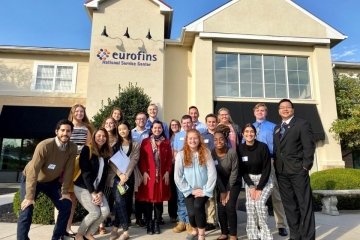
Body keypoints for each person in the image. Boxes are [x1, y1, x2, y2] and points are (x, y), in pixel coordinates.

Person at [17, 119, 77, 240]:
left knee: (66, 205)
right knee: (26, 209)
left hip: (51, 182)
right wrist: (29, 197)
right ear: (56, 131)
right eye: (62, 130)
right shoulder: (45, 145)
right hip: (32, 179)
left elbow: (69, 170)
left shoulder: (72, 147)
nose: (65, 133)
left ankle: (57, 237)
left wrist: (65, 192)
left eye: (68, 131)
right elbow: (33, 170)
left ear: (71, 133)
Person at [273, 99, 316, 240]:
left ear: (293, 109)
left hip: (298, 171)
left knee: (304, 205)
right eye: (282, 107)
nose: (285, 109)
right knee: (289, 206)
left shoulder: (302, 124)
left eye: (288, 107)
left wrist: (305, 166)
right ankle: (295, 235)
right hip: (282, 172)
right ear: (279, 111)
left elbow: (309, 147)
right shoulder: (277, 127)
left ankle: (308, 237)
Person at [252, 103, 288, 237]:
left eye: (262, 110)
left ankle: (281, 225)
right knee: (255, 194)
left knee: (275, 193)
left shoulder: (274, 127)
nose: (260, 112)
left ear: (266, 113)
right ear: (254, 112)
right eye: (258, 110)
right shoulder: (250, 127)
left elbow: (280, 145)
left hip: (271, 162)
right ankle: (257, 223)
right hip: (255, 164)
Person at [174, 129, 217, 240]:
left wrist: (206, 190)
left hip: (204, 189)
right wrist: (189, 190)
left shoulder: (206, 152)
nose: (193, 140)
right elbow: (177, 176)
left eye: (195, 138)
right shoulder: (181, 155)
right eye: (190, 138)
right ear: (186, 140)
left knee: (198, 206)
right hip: (189, 190)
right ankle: (194, 230)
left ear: (199, 139)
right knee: (191, 213)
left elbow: (212, 172)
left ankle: (201, 234)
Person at [73, 128, 111, 240]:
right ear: (94, 137)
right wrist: (93, 193)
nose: (101, 138)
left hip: (96, 189)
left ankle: (89, 233)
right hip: (82, 187)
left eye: (104, 136)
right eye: (99, 136)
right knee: (95, 212)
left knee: (105, 211)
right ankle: (79, 235)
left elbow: (103, 176)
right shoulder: (87, 149)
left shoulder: (105, 153)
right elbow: (86, 174)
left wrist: (99, 192)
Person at [136, 120, 172, 235]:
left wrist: (167, 172)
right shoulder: (145, 142)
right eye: (155, 128)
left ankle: (156, 222)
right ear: (151, 129)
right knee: (148, 200)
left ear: (162, 129)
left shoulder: (166, 142)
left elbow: (169, 160)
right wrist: (144, 172)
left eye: (159, 128)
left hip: (161, 176)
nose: (157, 130)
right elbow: (142, 159)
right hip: (149, 175)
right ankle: (149, 223)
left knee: (158, 200)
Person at [238, 123, 273, 240]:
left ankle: (265, 233)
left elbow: (267, 169)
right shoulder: (240, 148)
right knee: (250, 205)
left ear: (255, 133)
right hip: (250, 181)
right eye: (246, 132)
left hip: (265, 180)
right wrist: (252, 186)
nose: (249, 134)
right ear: (243, 134)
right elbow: (242, 170)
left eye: (251, 131)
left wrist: (259, 188)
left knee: (259, 204)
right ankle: (253, 234)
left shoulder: (263, 147)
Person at [109, 121, 140, 240]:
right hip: (117, 178)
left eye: (124, 129)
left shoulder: (135, 144)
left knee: (125, 203)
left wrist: (126, 175)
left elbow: (134, 160)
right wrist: (120, 175)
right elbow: (111, 162)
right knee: (119, 201)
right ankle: (126, 231)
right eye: (120, 129)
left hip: (130, 177)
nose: (122, 131)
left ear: (129, 130)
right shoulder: (115, 145)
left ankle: (115, 229)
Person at [66, 103, 93, 236]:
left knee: (73, 198)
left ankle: (68, 226)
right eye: (77, 111)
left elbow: (88, 147)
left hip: (79, 165)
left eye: (82, 111)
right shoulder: (67, 126)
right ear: (73, 112)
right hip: (66, 163)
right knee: (64, 195)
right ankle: (61, 226)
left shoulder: (86, 128)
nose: (79, 113)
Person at [212, 124, 240, 240]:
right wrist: (222, 190)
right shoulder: (212, 153)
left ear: (225, 140)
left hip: (233, 182)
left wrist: (228, 189)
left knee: (230, 207)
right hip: (220, 183)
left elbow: (235, 172)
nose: (218, 141)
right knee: (221, 207)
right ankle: (224, 232)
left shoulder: (232, 152)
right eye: (216, 139)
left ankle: (233, 234)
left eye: (221, 139)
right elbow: (215, 174)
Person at [172, 115, 193, 234]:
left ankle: (190, 222)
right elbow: (175, 151)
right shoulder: (178, 136)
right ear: (181, 124)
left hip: (191, 170)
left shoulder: (195, 134)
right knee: (180, 197)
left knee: (189, 197)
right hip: (180, 170)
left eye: (188, 123)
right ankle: (181, 221)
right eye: (184, 123)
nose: (186, 125)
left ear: (191, 123)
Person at [99, 117, 118, 233]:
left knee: (110, 197)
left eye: (111, 123)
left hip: (113, 172)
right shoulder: (101, 136)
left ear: (115, 125)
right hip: (101, 171)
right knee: (101, 197)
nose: (109, 124)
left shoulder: (118, 138)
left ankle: (106, 219)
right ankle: (100, 225)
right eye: (107, 123)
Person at [131, 112, 150, 227]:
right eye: (139, 119)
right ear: (135, 121)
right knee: (137, 193)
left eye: (143, 119)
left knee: (146, 191)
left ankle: (147, 217)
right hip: (134, 166)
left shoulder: (150, 132)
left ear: (146, 120)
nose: (141, 121)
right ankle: (138, 217)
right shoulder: (131, 133)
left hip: (147, 166)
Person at [201, 113, 218, 231]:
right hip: (206, 169)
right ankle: (210, 220)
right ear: (206, 122)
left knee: (220, 195)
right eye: (209, 122)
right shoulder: (202, 136)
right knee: (210, 195)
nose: (211, 124)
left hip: (220, 167)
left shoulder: (220, 134)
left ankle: (218, 219)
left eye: (213, 121)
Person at [168, 119, 181, 223]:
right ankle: (172, 214)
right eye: (172, 125)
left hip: (180, 166)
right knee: (172, 191)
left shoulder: (182, 135)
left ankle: (180, 213)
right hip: (171, 166)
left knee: (179, 190)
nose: (174, 126)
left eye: (176, 124)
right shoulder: (168, 137)